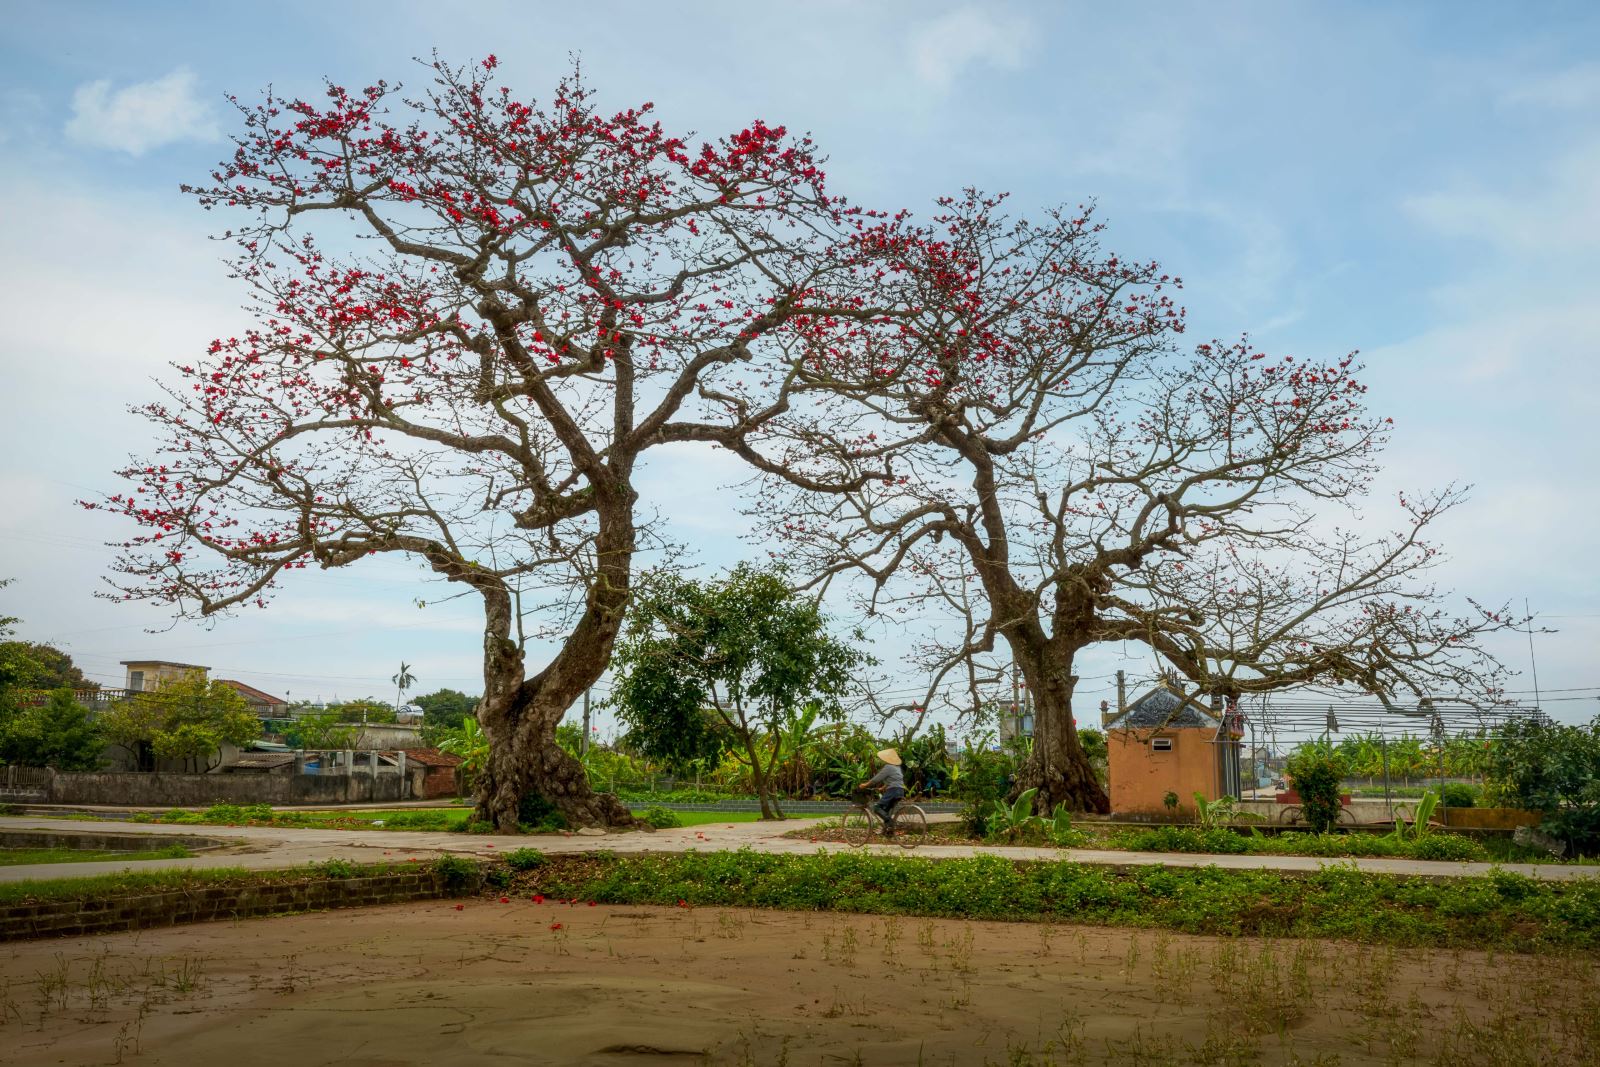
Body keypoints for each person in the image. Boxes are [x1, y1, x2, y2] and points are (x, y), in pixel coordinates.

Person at [866, 748, 905, 833]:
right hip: (900, 790)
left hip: (893, 790)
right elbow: (893, 780)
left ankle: (890, 822)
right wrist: (883, 788)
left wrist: (865, 785)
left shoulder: (888, 767)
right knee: (885, 810)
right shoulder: (897, 768)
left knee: (876, 808)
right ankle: (888, 831)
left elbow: (877, 778)